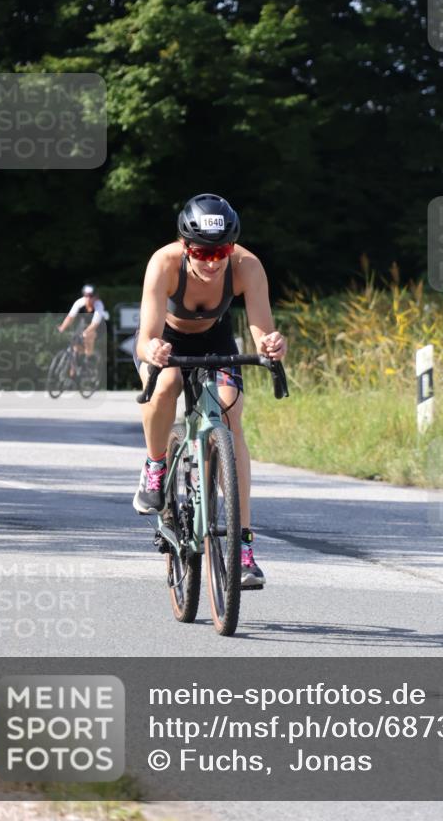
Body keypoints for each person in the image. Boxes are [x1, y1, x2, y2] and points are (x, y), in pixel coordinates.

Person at [132, 193, 287, 589]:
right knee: (164, 384)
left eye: (220, 251)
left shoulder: (247, 266)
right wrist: (153, 350)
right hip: (166, 341)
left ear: (231, 246)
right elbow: (145, 337)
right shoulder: (163, 263)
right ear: (185, 247)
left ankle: (244, 549)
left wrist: (271, 345)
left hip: (215, 342)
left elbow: (260, 327)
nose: (211, 261)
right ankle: (155, 466)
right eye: (202, 252)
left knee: (230, 415)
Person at [57, 285, 106, 359]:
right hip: (84, 325)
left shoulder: (99, 305)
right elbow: (70, 317)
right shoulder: (79, 302)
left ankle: (89, 358)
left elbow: (94, 324)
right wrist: (62, 328)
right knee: (75, 348)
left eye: (91, 296)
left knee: (88, 336)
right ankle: (75, 367)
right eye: (86, 295)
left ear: (96, 297)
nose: (88, 298)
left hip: (98, 327)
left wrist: (84, 333)